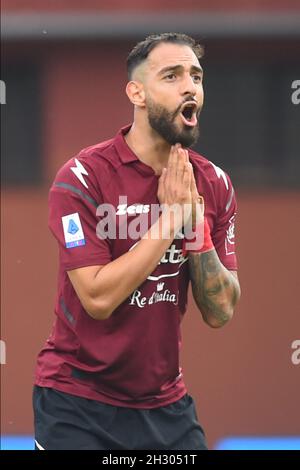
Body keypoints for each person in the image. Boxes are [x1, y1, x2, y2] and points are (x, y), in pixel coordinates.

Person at [33, 32, 241, 451]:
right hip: (77, 403)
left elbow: (220, 312)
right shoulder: (82, 178)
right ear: (137, 92)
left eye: (196, 77)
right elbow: (97, 297)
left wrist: (195, 225)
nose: (190, 87)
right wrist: (172, 220)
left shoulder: (213, 183)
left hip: (165, 406)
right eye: (172, 75)